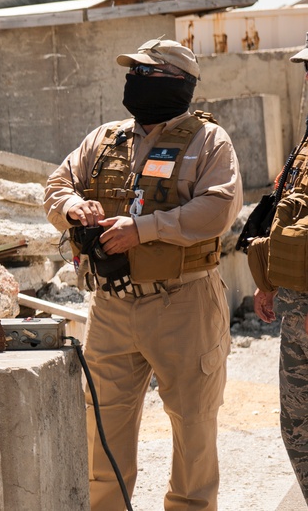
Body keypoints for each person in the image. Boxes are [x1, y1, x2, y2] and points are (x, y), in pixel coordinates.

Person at [43, 37, 243, 510]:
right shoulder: (105, 139)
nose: (135, 82)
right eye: (133, 72)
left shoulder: (208, 141)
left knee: (193, 426)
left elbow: (217, 210)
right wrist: (75, 207)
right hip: (111, 306)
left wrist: (144, 229)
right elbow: (57, 185)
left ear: (180, 84)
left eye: (147, 74)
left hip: (184, 304)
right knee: (101, 430)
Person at [248, 33, 308, 500]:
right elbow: (286, 210)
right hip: (298, 307)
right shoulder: (306, 142)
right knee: (299, 430)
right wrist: (267, 281)